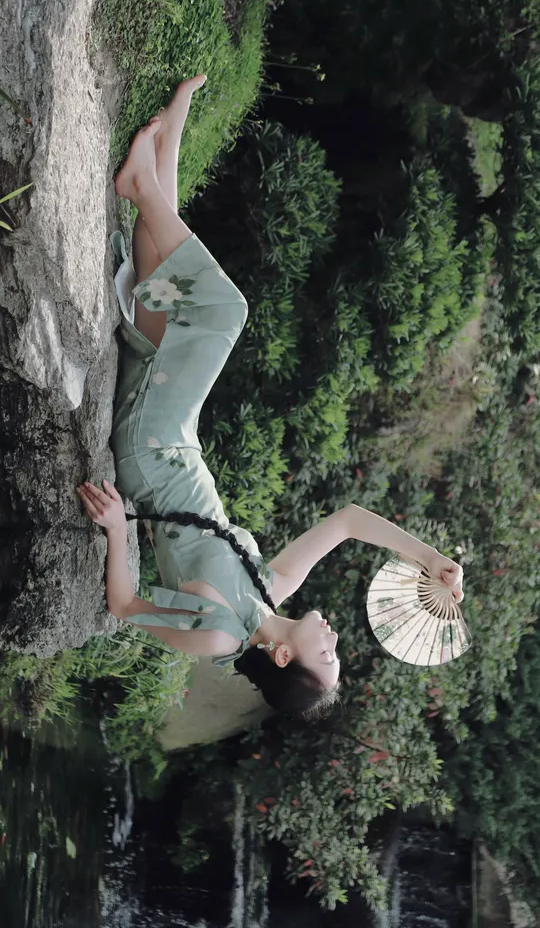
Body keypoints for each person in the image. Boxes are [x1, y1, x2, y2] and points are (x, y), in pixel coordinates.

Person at [76, 76, 465, 719]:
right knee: (162, 290)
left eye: (327, 655)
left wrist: (118, 530)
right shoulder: (266, 585)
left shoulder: (219, 636)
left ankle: (141, 182)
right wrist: (430, 559)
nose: (335, 639)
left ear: (284, 657)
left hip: (151, 447)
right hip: (174, 436)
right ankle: (164, 151)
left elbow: (125, 605)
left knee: (224, 311)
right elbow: (347, 521)